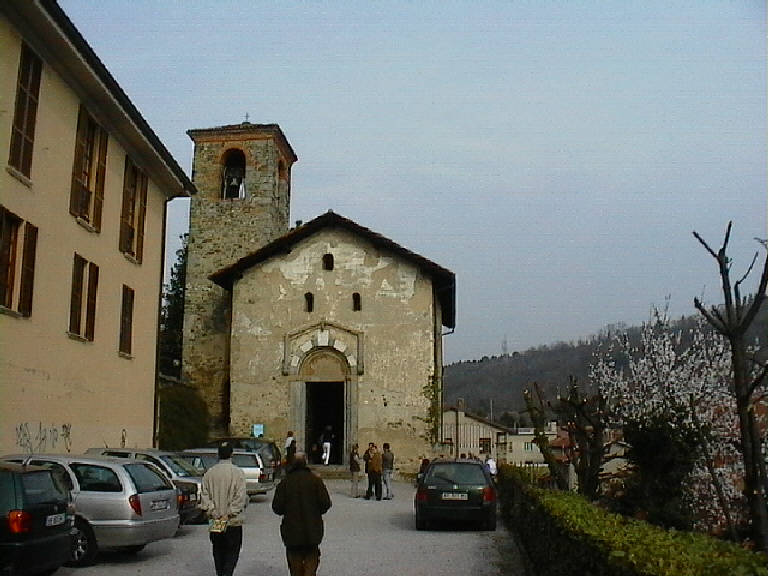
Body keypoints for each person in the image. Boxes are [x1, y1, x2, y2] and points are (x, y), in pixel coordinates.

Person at [272, 452, 332, 576]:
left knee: (295, 564)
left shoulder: (285, 483)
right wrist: (315, 511)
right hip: (312, 530)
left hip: (292, 531)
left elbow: (277, 508)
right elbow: (326, 503)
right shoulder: (315, 481)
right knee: (311, 559)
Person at [200, 442, 247, 576]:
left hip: (216, 520)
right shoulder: (238, 473)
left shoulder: (209, 473)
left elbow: (205, 496)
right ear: (232, 454)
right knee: (232, 552)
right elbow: (240, 497)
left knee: (218, 551)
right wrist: (229, 513)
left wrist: (214, 512)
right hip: (232, 521)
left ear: (218, 454)